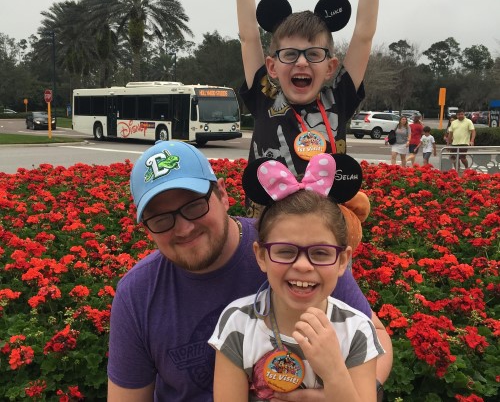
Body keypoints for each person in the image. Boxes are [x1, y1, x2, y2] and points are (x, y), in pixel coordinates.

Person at [107, 140, 392, 401]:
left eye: (194, 206)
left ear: (222, 194)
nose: (183, 228)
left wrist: (336, 391)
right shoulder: (138, 292)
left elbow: (372, 335)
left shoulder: (292, 244)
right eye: (160, 219)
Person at [225, 0, 401, 183]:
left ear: (330, 67)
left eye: (313, 54)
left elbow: (364, 36)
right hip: (269, 212)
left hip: (324, 212)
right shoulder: (264, 96)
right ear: (272, 66)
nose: (301, 62)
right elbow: (249, 38)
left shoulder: (338, 99)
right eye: (290, 54)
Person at [210, 154, 384, 401]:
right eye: (285, 251)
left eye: (320, 253)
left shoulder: (357, 331)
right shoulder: (238, 323)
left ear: (343, 261)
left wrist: (334, 372)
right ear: (261, 256)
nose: (303, 265)